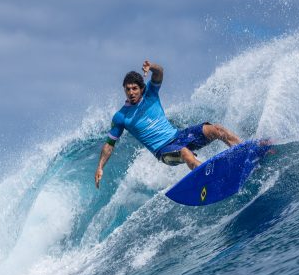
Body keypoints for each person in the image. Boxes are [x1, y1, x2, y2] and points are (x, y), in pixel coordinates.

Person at [94, 60, 244, 189]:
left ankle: (244, 150)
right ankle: (209, 179)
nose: (131, 92)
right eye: (128, 89)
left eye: (135, 88)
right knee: (185, 152)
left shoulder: (151, 94)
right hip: (163, 150)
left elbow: (159, 73)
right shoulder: (121, 117)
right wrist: (100, 167)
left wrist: (151, 66)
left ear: (141, 88)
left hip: (179, 136)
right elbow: (109, 145)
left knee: (217, 129)